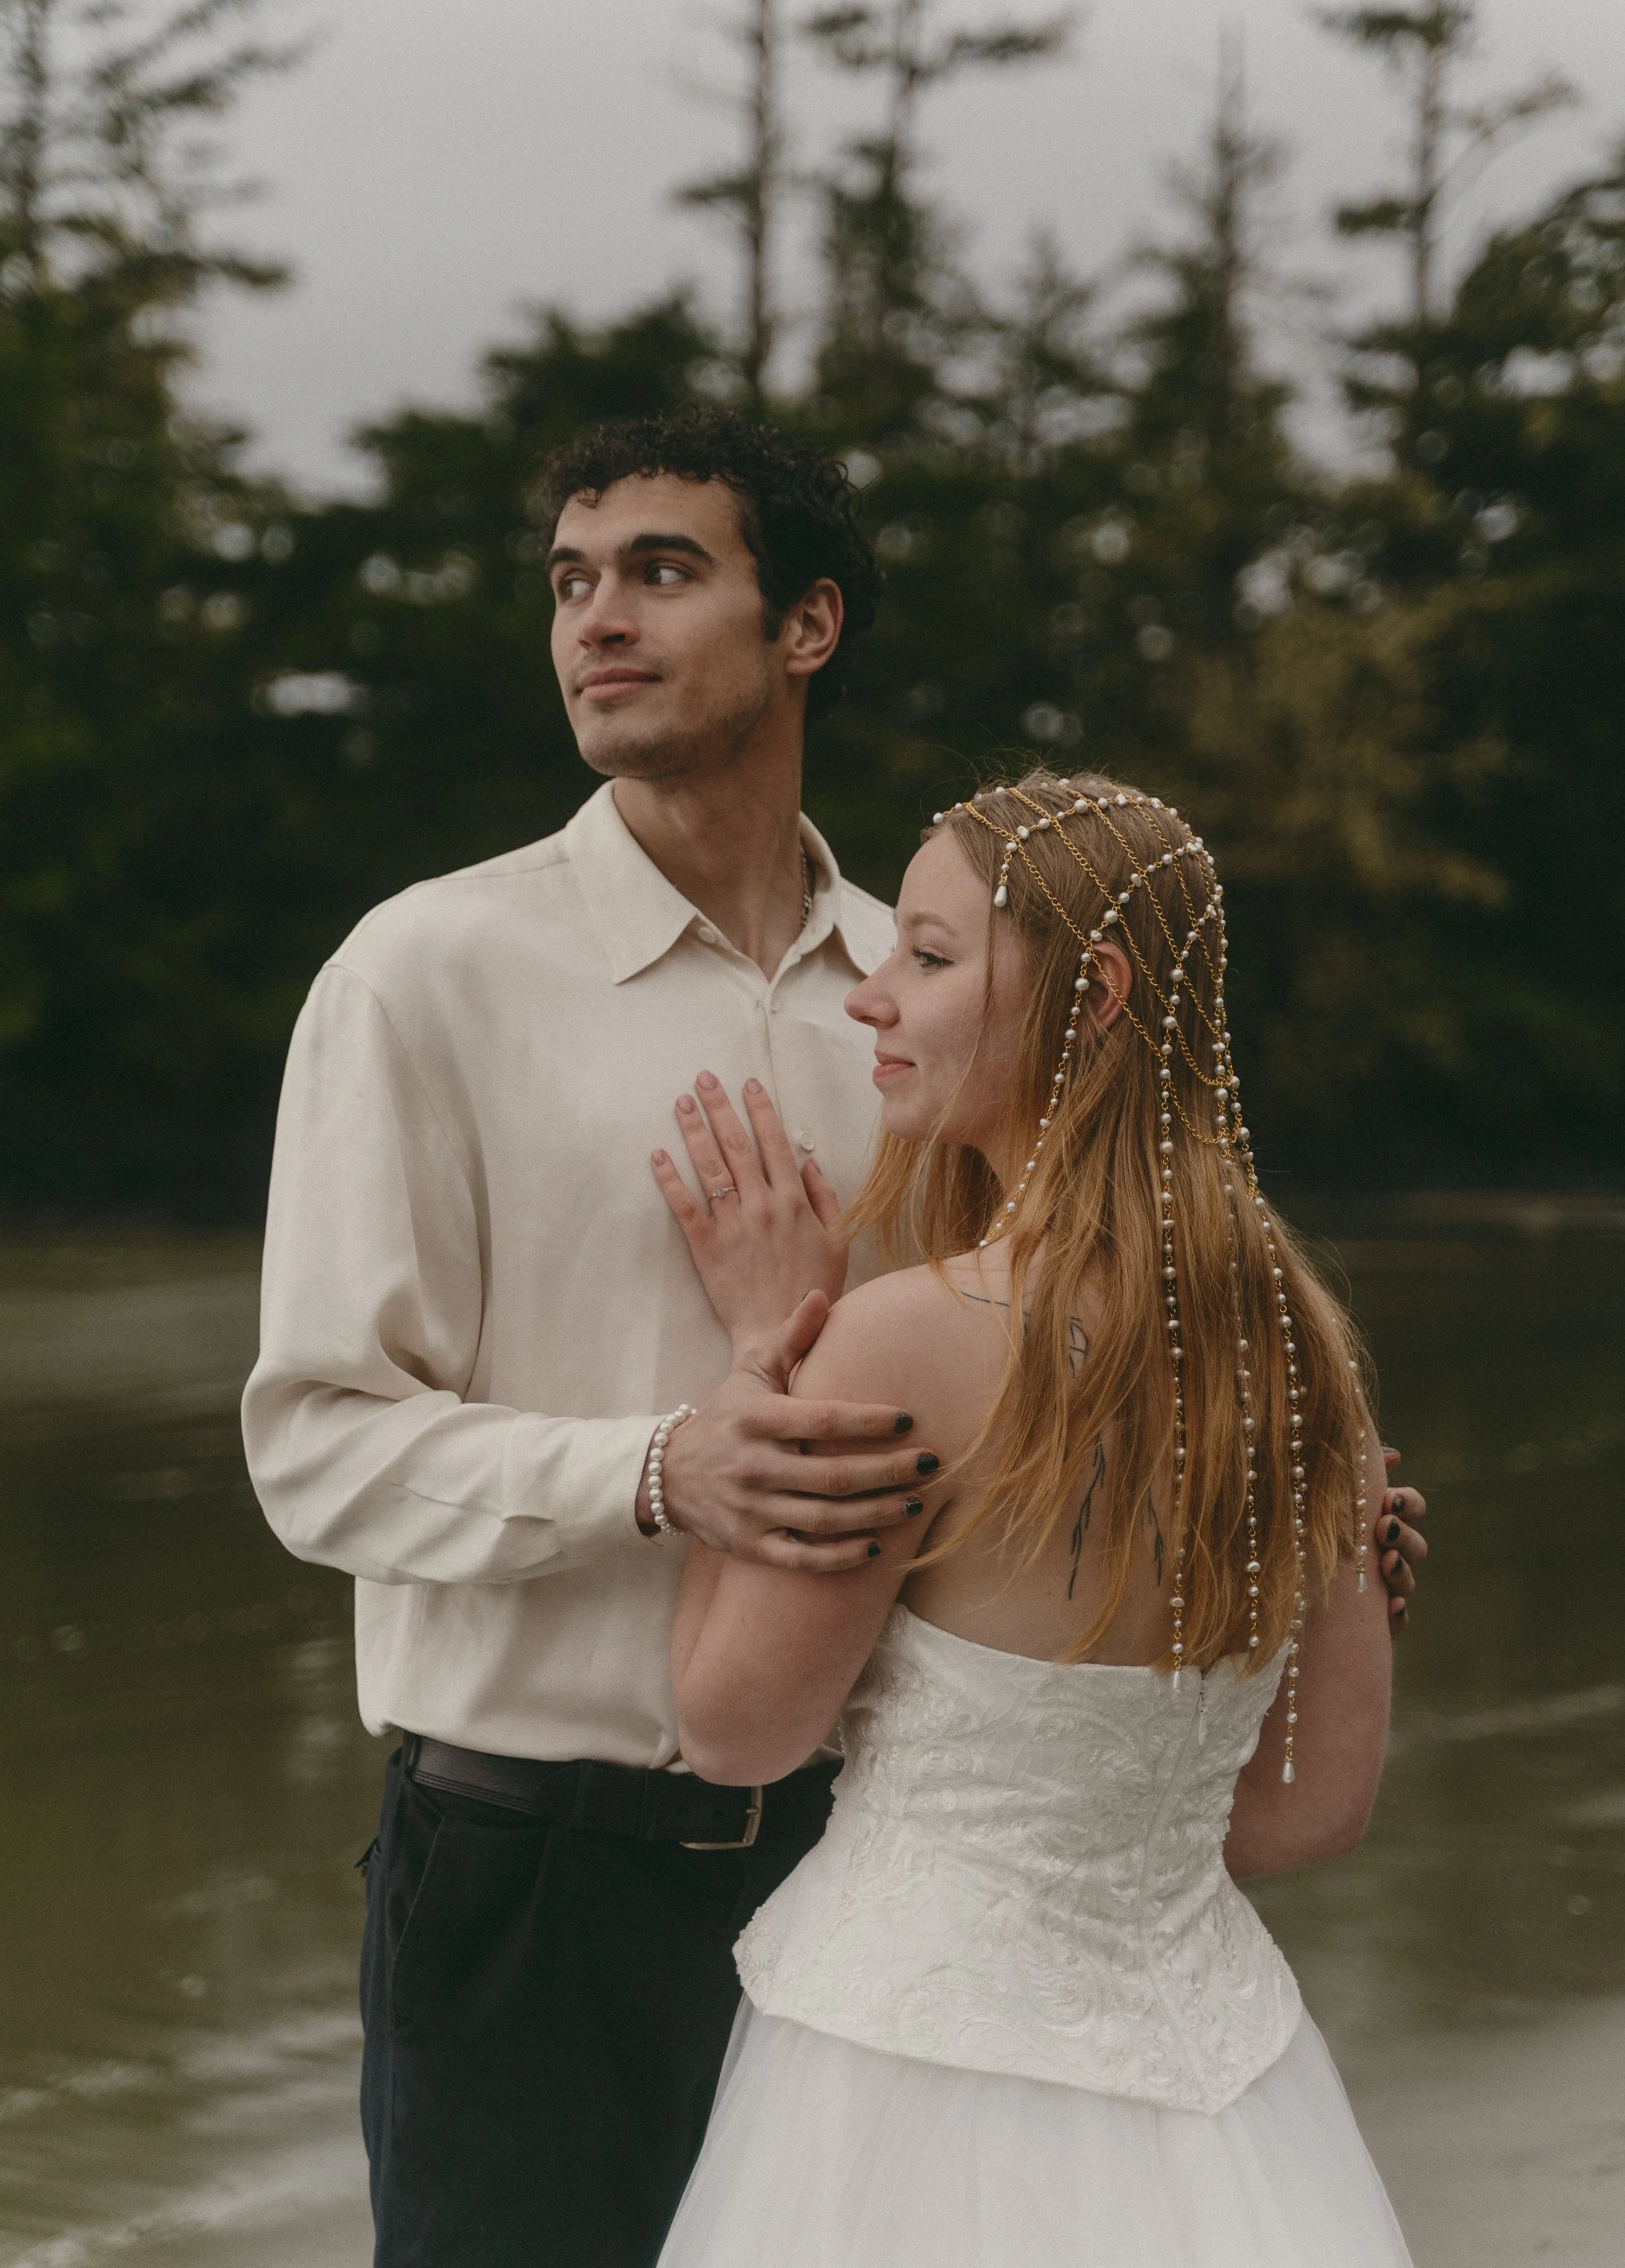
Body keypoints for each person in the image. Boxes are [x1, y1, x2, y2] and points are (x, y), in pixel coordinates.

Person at [241, 409, 1425, 2268]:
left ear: (807, 622)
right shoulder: (424, 972)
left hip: (867, 1877)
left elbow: (1029, 1382)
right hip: (535, 1868)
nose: (594, 620)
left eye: (658, 569)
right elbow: (311, 1442)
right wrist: (658, 1465)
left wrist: (1246, 1519)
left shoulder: (926, 977)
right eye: (568, 580)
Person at [653, 771, 1415, 2267]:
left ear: (1097, 992)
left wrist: (751, 1376)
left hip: (901, 2087)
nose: (869, 999)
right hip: (1221, 2104)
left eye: (926, 959)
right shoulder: (1302, 1345)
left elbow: (732, 1735)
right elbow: (1311, 1806)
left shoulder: (895, 1345)